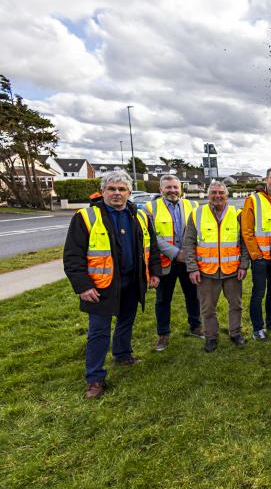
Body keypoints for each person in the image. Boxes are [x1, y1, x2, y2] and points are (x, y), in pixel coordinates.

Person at [63, 171, 161, 399]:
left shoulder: (140, 215)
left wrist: (154, 272)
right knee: (99, 331)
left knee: (127, 321)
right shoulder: (86, 217)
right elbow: (72, 256)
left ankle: (123, 354)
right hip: (100, 286)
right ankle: (95, 378)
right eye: (112, 189)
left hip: (132, 280)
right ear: (103, 191)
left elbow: (151, 247)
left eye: (122, 189)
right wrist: (83, 286)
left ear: (129, 192)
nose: (117, 193)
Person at [184, 181, 249, 352]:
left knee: (236, 305)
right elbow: (188, 243)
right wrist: (192, 268)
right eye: (213, 192)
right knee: (207, 308)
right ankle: (211, 336)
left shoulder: (238, 214)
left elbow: (244, 242)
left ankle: (235, 333)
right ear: (208, 195)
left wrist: (243, 265)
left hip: (232, 271)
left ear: (227, 195)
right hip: (206, 272)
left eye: (221, 192)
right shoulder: (197, 213)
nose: (217, 196)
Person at [145, 174, 202, 351]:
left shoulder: (193, 205)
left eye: (175, 187)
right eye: (168, 187)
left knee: (193, 295)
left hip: (188, 261)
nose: (172, 190)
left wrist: (188, 254)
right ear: (160, 189)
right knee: (163, 299)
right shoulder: (150, 208)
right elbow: (153, 237)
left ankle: (196, 326)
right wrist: (176, 253)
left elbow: (196, 231)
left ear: (180, 188)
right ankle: (163, 334)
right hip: (165, 261)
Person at [241, 167, 271, 340]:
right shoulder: (253, 200)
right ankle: (257, 328)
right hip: (260, 257)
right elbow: (246, 231)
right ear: (266, 179)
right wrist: (256, 255)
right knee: (258, 293)